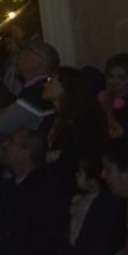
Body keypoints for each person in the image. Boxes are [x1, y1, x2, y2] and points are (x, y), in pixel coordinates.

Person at [0, 128, 68, 255]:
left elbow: (36, 243)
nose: (4, 145)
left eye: (11, 141)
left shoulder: (46, 190)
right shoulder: (9, 188)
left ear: (25, 153)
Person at [41, 66, 108, 194]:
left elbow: (81, 154)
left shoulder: (83, 121)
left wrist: (59, 156)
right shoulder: (49, 120)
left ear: (66, 87)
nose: (45, 83)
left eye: (51, 80)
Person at [0, 39, 59, 139]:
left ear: (43, 62)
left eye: (29, 50)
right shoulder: (34, 88)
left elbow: (0, 126)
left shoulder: (40, 91)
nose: (22, 53)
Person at [69, 156, 125, 255]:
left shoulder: (103, 206)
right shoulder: (77, 199)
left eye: (80, 172)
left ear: (92, 180)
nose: (76, 174)